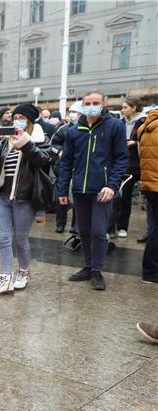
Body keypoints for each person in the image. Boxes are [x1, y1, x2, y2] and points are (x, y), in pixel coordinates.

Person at [57, 91, 129, 290]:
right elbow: (66, 162)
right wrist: (62, 190)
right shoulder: (74, 130)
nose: (91, 106)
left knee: (98, 231)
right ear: (82, 104)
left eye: (95, 102)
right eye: (87, 102)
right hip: (80, 188)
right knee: (84, 231)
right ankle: (88, 267)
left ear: (103, 103)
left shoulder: (114, 125)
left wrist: (112, 185)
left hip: (103, 190)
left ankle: (97, 271)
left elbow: (121, 158)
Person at [0, 103, 52, 295]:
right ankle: (5, 279)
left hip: (24, 198)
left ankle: (23, 272)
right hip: (2, 196)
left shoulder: (38, 139)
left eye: (21, 118)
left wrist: (24, 142)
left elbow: (43, 160)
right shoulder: (6, 141)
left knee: (20, 240)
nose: (16, 120)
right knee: (3, 239)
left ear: (29, 121)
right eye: (15, 117)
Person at [115, 96, 146, 238]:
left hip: (141, 164)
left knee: (150, 199)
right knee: (123, 196)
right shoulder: (120, 123)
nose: (122, 110)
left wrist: (135, 142)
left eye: (125, 107)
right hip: (124, 164)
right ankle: (121, 227)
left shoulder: (144, 122)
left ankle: (151, 232)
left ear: (134, 108)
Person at [50, 101, 83, 233]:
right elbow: (53, 144)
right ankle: (60, 223)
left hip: (80, 168)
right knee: (61, 195)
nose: (72, 115)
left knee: (78, 196)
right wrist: (59, 151)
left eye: (75, 112)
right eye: (71, 112)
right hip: (63, 167)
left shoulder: (86, 130)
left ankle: (76, 226)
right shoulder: (63, 129)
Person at [138, 104, 158, 285]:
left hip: (150, 183)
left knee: (154, 226)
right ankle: (151, 270)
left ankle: (150, 269)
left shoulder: (147, 126)